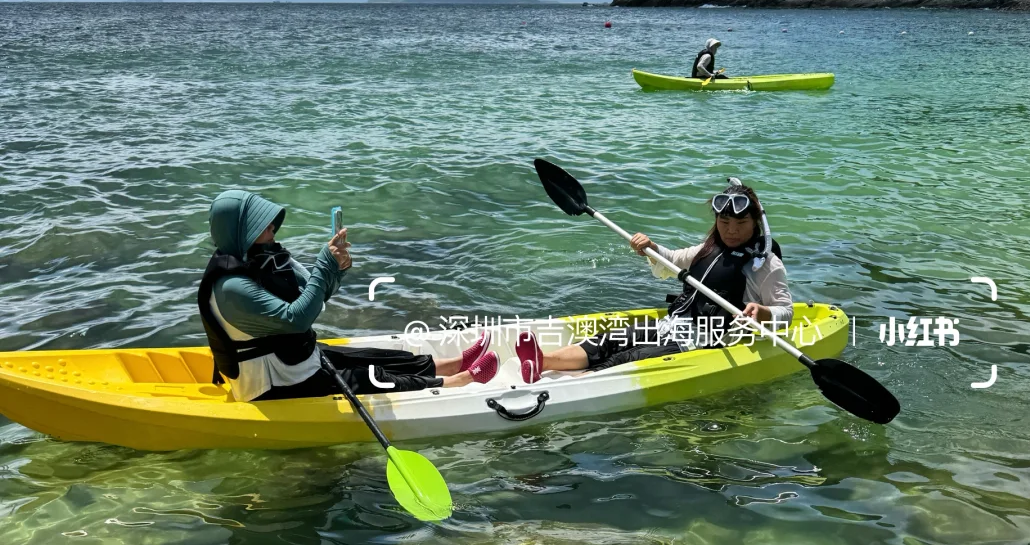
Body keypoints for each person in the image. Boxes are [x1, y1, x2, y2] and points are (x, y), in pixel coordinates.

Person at [198, 190, 497, 402]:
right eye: (262, 223)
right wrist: (323, 265)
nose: (272, 226)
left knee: (374, 357)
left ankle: (453, 362)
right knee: (370, 377)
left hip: (293, 359)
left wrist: (336, 270)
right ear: (240, 232)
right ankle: (455, 382)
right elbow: (297, 320)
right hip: (272, 381)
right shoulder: (232, 288)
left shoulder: (267, 258)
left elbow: (317, 296)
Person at [514, 180, 792, 382]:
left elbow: (786, 311)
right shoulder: (708, 249)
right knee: (610, 339)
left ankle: (572, 387)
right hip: (671, 325)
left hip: (706, 342)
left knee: (627, 359)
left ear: (755, 223)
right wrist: (651, 247)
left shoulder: (765, 265)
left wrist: (764, 312)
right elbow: (671, 260)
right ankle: (540, 361)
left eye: (740, 225)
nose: (731, 231)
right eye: (724, 222)